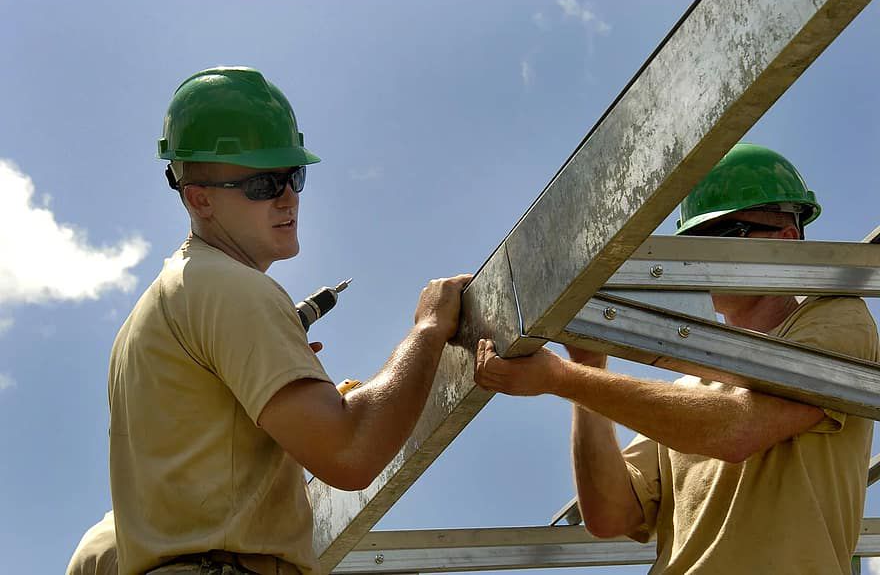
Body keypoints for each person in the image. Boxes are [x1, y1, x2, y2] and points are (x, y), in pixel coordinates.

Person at [108, 66, 470, 575]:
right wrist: (428, 331)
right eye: (262, 183)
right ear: (199, 197)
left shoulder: (166, 303)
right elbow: (350, 454)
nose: (287, 196)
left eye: (293, 175)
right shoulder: (232, 290)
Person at [474, 143, 877, 574]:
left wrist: (563, 379)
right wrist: (588, 370)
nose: (705, 258)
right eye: (695, 243)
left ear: (787, 239)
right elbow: (612, 515)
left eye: (724, 235)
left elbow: (738, 428)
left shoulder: (835, 318)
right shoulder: (688, 392)